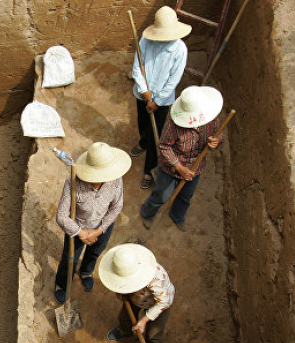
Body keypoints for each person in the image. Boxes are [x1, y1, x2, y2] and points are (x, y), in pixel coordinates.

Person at [54, 142, 131, 303]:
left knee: (95, 251)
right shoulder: (73, 183)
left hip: (103, 227)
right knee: (70, 258)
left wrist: (98, 230)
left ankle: (86, 272)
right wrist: (81, 233)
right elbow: (61, 216)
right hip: (78, 228)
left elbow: (117, 207)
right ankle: (62, 284)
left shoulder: (116, 179)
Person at [140, 85, 223, 232]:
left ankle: (177, 216)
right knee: (161, 195)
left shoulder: (211, 118)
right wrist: (179, 167)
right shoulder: (174, 124)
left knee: (186, 196)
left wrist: (215, 141)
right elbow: (164, 146)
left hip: (195, 168)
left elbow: (218, 134)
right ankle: (147, 213)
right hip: (170, 168)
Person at [130, 6, 191, 190]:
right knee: (143, 123)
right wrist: (144, 92)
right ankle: (142, 142)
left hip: (162, 101)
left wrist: (157, 101)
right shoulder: (145, 41)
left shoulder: (180, 50)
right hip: (143, 94)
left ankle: (149, 169)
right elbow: (136, 67)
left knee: (156, 133)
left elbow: (173, 80)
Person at [100, 244, 174, 343]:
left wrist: (144, 320)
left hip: (158, 304)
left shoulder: (157, 279)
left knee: (153, 334)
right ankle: (125, 330)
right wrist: (121, 292)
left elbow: (164, 302)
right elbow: (117, 282)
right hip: (135, 297)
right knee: (124, 317)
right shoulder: (123, 265)